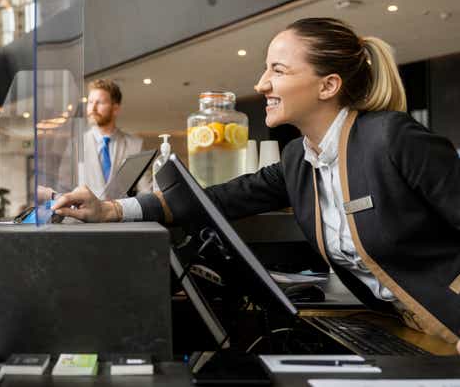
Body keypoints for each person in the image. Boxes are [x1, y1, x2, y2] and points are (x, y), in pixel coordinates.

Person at [53, 18, 460, 347]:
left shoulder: (390, 137)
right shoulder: (300, 158)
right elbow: (219, 199)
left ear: (328, 85)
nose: (261, 84)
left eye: (277, 71)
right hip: (403, 330)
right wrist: (110, 209)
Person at [81, 79, 150, 198]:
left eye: (100, 103)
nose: (93, 108)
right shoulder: (76, 145)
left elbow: (146, 191)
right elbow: (64, 189)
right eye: (90, 102)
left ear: (115, 109)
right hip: (84, 216)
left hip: (124, 215)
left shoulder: (135, 145)